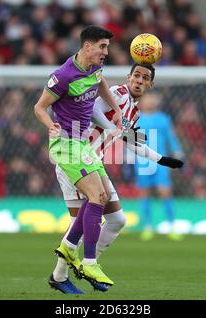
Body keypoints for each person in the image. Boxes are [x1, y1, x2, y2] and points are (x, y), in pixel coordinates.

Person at [49, 63, 183, 294]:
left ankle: (73, 270)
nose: (139, 80)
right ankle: (76, 269)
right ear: (128, 77)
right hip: (78, 160)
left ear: (150, 84)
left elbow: (130, 139)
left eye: (145, 78)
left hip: (93, 163)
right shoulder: (118, 94)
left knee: (117, 220)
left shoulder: (135, 110)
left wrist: (161, 159)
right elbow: (90, 110)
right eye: (136, 75)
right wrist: (113, 127)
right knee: (82, 223)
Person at [33, 25, 123, 294]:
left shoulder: (94, 69)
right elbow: (39, 107)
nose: (106, 52)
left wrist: (116, 108)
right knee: (97, 198)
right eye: (102, 47)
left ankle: (67, 248)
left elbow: (101, 82)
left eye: (107, 46)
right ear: (87, 46)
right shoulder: (62, 76)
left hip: (82, 144)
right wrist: (50, 124)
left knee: (101, 196)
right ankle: (89, 262)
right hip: (65, 144)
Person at [134, 92, 184, 241]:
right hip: (142, 162)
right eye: (146, 99)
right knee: (144, 193)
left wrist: (177, 153)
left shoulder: (163, 119)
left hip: (160, 161)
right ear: (141, 102)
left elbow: (171, 138)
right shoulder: (136, 119)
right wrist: (128, 158)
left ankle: (171, 226)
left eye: (151, 99)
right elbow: (130, 141)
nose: (149, 102)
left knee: (165, 192)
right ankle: (147, 227)